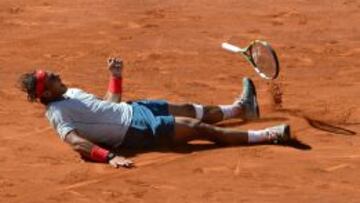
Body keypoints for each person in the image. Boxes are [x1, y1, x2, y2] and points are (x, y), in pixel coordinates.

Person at [18, 58, 291, 169]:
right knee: (196, 127)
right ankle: (268, 135)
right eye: (52, 77)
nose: (58, 75)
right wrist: (110, 157)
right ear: (46, 94)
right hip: (135, 131)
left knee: (187, 108)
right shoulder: (56, 113)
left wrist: (116, 77)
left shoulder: (72, 93)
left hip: (135, 108)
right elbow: (75, 142)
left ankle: (241, 109)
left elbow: (109, 102)